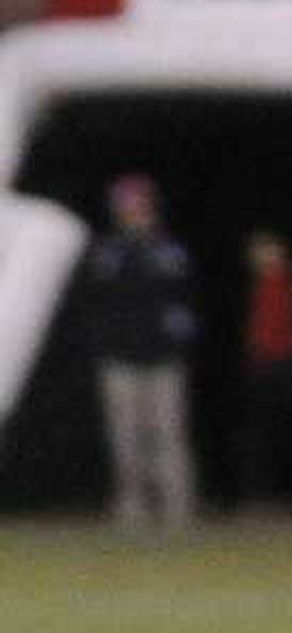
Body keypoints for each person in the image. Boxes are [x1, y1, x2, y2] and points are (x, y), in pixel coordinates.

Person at [78, 173, 197, 531]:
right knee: (125, 436)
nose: (131, 211)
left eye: (136, 203)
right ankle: (133, 507)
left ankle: (177, 508)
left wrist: (179, 342)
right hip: (119, 358)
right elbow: (93, 300)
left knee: (167, 433)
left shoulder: (167, 250)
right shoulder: (107, 252)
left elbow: (185, 299)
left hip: (162, 359)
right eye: (124, 204)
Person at [237, 232, 292, 507]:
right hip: (262, 365)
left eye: (271, 250)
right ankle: (259, 496)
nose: (266, 257)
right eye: (260, 252)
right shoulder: (249, 287)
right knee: (261, 436)